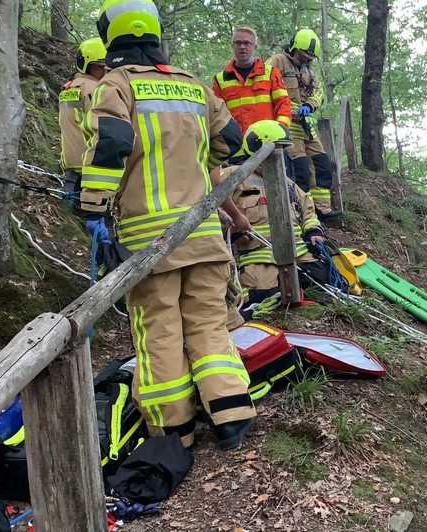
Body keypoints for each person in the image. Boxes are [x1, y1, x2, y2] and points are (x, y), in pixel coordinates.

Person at [80, 0, 256, 451]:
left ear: (112, 35)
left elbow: (109, 147)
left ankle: (173, 431)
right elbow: (231, 140)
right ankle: (232, 414)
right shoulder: (194, 86)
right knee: (208, 323)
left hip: (148, 242)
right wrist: (195, 164)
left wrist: (94, 208)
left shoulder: (115, 85)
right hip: (203, 234)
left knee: (158, 328)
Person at [211, 120, 331, 319]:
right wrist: (230, 230)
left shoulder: (289, 184)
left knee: (322, 277)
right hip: (256, 255)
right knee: (261, 295)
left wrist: (314, 232)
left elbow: (308, 211)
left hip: (297, 253)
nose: (280, 156)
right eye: (277, 150)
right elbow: (211, 208)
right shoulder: (231, 177)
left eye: (282, 150)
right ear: (258, 148)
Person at [267, 29, 342, 221]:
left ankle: (322, 210)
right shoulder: (277, 61)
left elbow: (318, 92)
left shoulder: (310, 69)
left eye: (309, 57)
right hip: (287, 126)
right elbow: (264, 85)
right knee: (300, 170)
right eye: (302, 55)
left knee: (322, 165)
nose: (305, 59)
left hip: (307, 126)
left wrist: (310, 105)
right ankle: (303, 213)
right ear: (293, 48)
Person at [211, 27, 292, 137]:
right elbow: (216, 115)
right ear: (232, 46)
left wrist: (279, 132)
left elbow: (283, 105)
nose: (242, 47)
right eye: (238, 43)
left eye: (247, 43)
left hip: (268, 141)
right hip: (236, 146)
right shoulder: (220, 80)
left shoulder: (270, 73)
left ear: (254, 47)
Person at [58, 37, 107, 205]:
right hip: (90, 162)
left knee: (68, 208)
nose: (104, 71)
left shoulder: (68, 87)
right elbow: (104, 124)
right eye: (99, 67)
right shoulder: (94, 89)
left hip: (71, 160)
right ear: (86, 65)